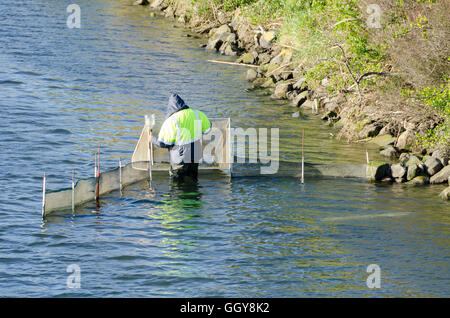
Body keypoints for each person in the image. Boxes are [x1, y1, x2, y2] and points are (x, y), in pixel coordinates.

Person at [151, 94, 211, 181]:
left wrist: (152, 139)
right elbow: (207, 130)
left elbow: (164, 143)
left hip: (180, 158)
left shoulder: (171, 120)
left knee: (177, 185)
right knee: (193, 181)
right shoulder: (198, 114)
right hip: (195, 155)